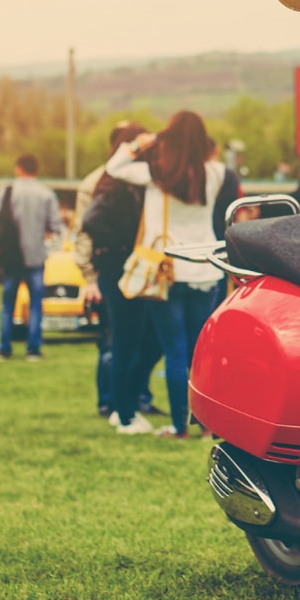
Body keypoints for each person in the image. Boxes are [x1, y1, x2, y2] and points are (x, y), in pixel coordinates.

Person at [106, 111, 240, 437]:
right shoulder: (219, 173)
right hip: (206, 268)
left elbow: (114, 168)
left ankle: (180, 425)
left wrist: (140, 144)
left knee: (175, 351)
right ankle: (208, 425)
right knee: (201, 353)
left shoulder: (158, 173)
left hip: (166, 269)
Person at [77, 122, 164, 423]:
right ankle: (115, 405)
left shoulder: (131, 181)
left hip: (126, 266)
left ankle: (126, 400)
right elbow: (87, 227)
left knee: (135, 340)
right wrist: (94, 273)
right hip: (117, 268)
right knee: (119, 341)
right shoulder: (109, 182)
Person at [0, 153, 65, 362]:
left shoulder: (6, 192)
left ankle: (4, 348)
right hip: (36, 256)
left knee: (8, 305)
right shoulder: (45, 194)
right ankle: (33, 349)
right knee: (35, 305)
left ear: (18, 168)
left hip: (11, 256)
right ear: (36, 169)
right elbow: (56, 226)